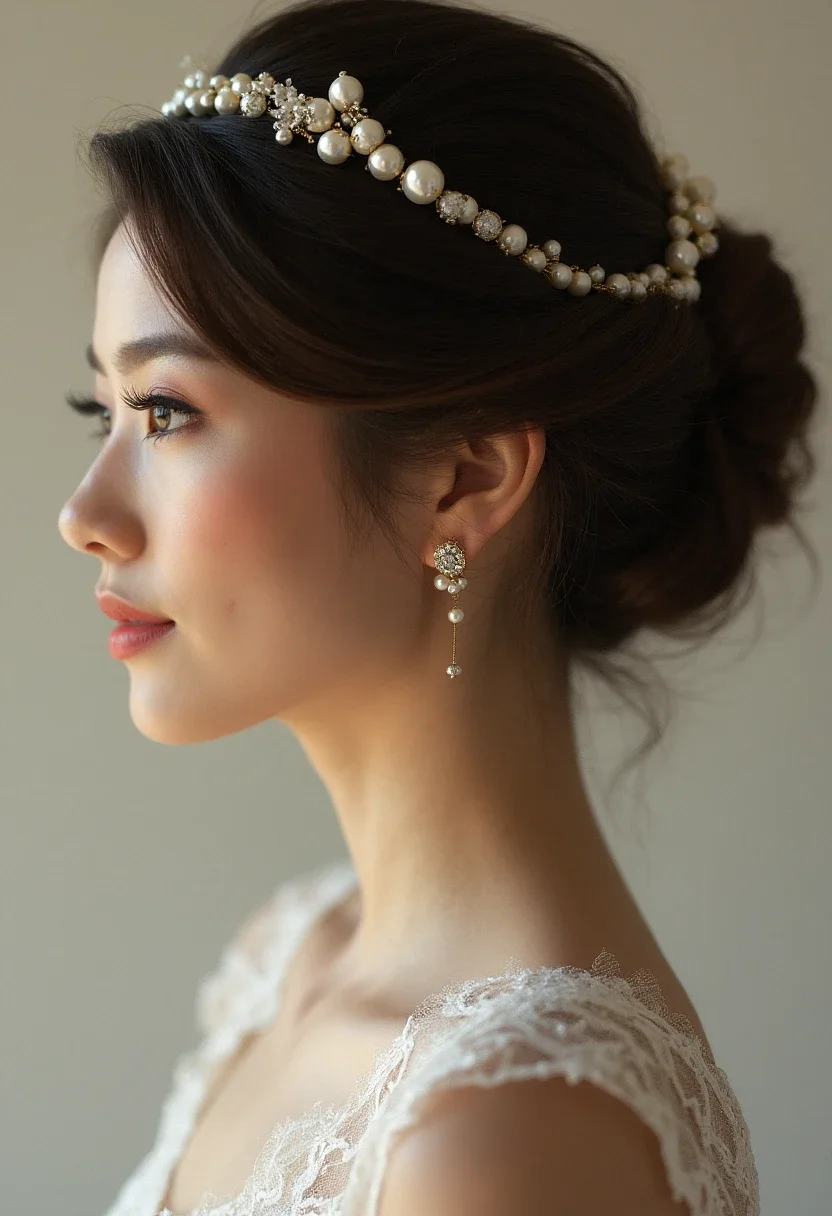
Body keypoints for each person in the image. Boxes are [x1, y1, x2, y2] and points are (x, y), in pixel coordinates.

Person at [57, 0, 818, 1212]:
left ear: (464, 474)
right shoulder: (294, 954)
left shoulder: (500, 1144)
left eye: (168, 413)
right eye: (105, 411)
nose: (85, 512)